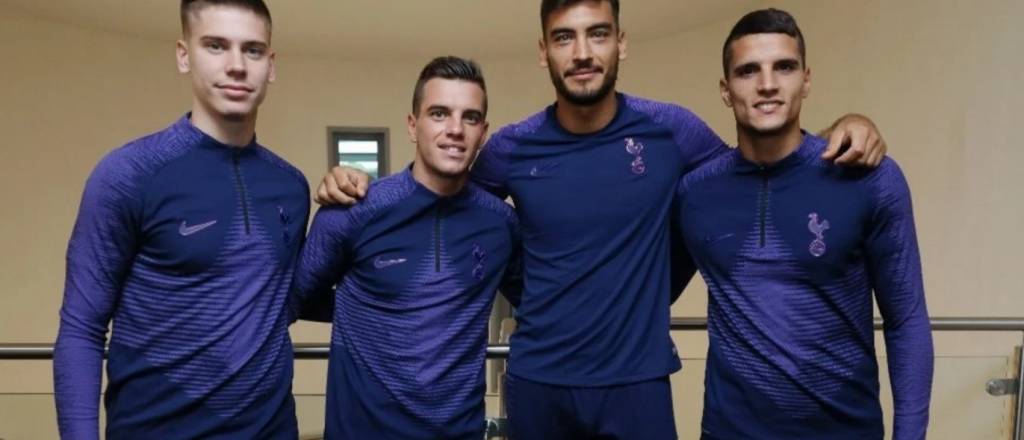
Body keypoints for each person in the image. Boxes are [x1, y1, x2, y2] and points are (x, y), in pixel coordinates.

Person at [317, 1, 890, 438]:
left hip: (637, 381)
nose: (582, 52)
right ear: (544, 51)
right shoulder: (510, 147)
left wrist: (844, 126)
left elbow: (756, 169)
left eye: (597, 33)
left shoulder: (671, 130)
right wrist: (357, 188)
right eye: (564, 37)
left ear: (621, 42)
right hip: (538, 380)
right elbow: (441, 197)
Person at [54, 1, 310, 439]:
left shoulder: (290, 185)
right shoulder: (128, 174)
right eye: (216, 45)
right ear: (184, 55)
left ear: (270, 66)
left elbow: (299, 290)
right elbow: (81, 327)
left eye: (251, 50)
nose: (236, 65)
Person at [676, 8, 933, 440]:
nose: (767, 84)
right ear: (725, 89)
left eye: (784, 67)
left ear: (806, 80)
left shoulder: (870, 178)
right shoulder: (695, 192)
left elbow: (906, 320)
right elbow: (648, 290)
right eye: (748, 71)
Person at [290, 56, 523, 440]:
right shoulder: (353, 211)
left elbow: (539, 302)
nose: (455, 130)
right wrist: (371, 311)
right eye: (439, 113)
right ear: (413, 126)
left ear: (483, 133)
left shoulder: (501, 223)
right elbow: (294, 298)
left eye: (469, 117)